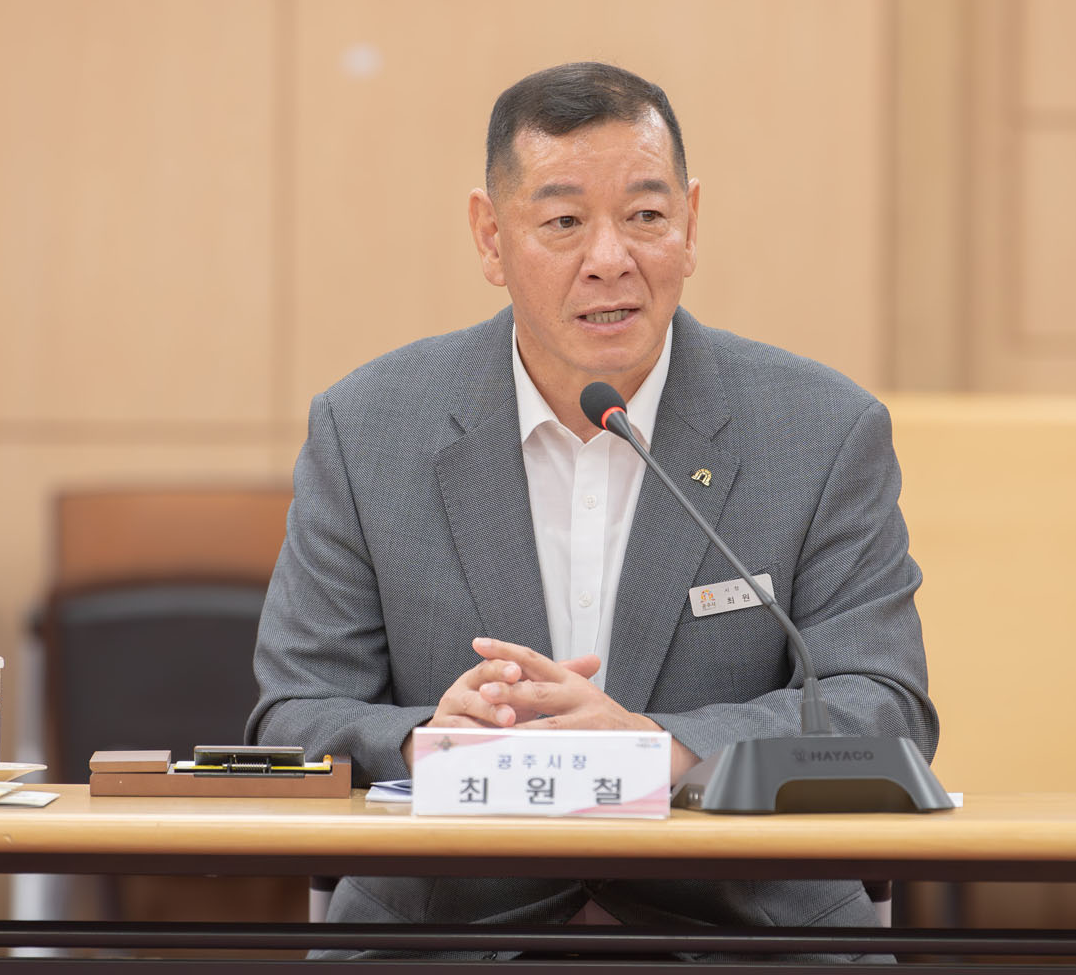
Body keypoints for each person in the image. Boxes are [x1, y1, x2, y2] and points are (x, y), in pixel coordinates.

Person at [247, 61, 938, 961]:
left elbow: (884, 709)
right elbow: (293, 713)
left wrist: (660, 749)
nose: (610, 258)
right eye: (564, 222)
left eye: (645, 216)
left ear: (691, 225)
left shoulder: (820, 431)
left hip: (740, 934)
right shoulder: (370, 429)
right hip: (449, 934)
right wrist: (429, 741)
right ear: (491, 239)